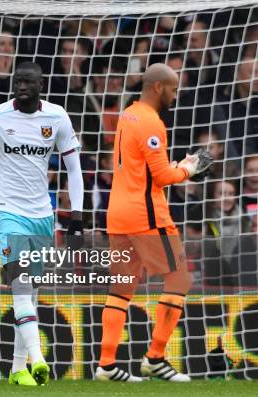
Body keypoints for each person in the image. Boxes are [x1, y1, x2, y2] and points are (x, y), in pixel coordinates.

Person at [0, 62, 84, 386]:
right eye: (18, 82)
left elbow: (74, 169)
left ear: (40, 85)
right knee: (21, 289)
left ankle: (17, 368)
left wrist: (78, 215)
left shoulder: (56, 117)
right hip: (7, 213)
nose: (22, 86)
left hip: (43, 216)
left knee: (29, 294)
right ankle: (39, 359)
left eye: (28, 82)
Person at [96, 63, 201, 382]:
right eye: (174, 88)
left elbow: (142, 165)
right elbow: (163, 176)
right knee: (179, 281)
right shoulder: (152, 123)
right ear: (159, 87)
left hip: (117, 212)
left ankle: (106, 365)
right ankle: (155, 357)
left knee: (122, 288)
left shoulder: (128, 113)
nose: (176, 94)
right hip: (147, 215)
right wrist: (188, 168)